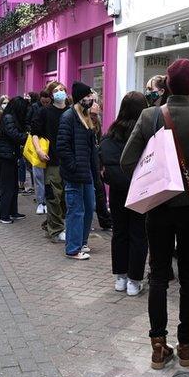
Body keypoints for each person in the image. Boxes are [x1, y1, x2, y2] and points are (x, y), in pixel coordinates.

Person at [121, 59, 189, 370]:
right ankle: (186, 346)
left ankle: (158, 346)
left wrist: (155, 174)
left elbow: (127, 162)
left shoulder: (149, 115)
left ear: (167, 85)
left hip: (157, 207)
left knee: (157, 275)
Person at [101, 91, 149, 296]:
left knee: (120, 233)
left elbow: (103, 158)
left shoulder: (112, 133)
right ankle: (134, 281)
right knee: (139, 234)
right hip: (140, 190)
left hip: (118, 190)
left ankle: (120, 278)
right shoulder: (145, 133)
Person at [57, 82, 100, 260]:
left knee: (89, 207)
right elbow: (62, 146)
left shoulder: (86, 117)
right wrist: (73, 166)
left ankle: (81, 242)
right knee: (76, 210)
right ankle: (73, 248)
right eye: (88, 96)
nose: (91, 99)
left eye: (92, 96)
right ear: (80, 98)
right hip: (75, 173)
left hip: (86, 173)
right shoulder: (69, 117)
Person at [31, 81, 70, 241]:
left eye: (62, 89)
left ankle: (50, 223)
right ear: (51, 94)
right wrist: (39, 150)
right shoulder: (44, 112)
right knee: (54, 195)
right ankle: (55, 229)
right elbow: (34, 133)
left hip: (68, 161)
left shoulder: (72, 112)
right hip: (52, 160)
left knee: (65, 198)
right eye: (56, 90)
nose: (60, 92)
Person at [0, 97, 28, 223]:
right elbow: (14, 135)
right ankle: (2, 215)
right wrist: (27, 137)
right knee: (7, 186)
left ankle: (12, 211)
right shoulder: (9, 118)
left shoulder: (9, 117)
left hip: (10, 155)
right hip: (5, 156)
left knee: (13, 186)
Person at [88, 94, 113, 232]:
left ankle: (105, 220)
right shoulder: (83, 119)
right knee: (93, 191)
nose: (96, 105)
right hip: (87, 161)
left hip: (96, 160)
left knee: (99, 191)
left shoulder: (97, 119)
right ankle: (96, 220)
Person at [30, 90, 51, 214]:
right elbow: (32, 128)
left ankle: (46, 202)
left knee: (48, 178)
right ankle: (40, 202)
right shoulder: (35, 109)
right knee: (38, 177)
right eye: (43, 101)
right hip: (39, 145)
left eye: (47, 101)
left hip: (50, 147)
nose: (45, 103)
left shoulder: (53, 110)